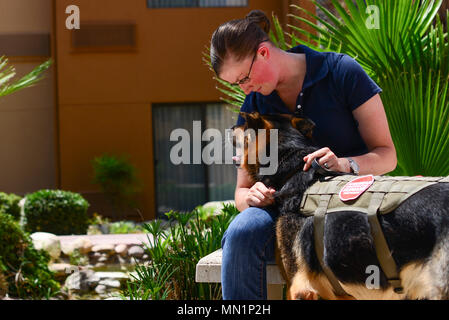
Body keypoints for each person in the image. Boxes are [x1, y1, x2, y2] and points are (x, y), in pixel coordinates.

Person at [210, 9, 397, 300]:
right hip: (282, 209)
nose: (245, 89)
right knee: (241, 232)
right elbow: (241, 191)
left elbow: (387, 155)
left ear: (263, 53)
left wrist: (346, 164)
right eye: (237, 85)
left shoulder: (342, 72)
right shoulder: (252, 105)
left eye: (244, 78)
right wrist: (252, 196)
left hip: (347, 199)